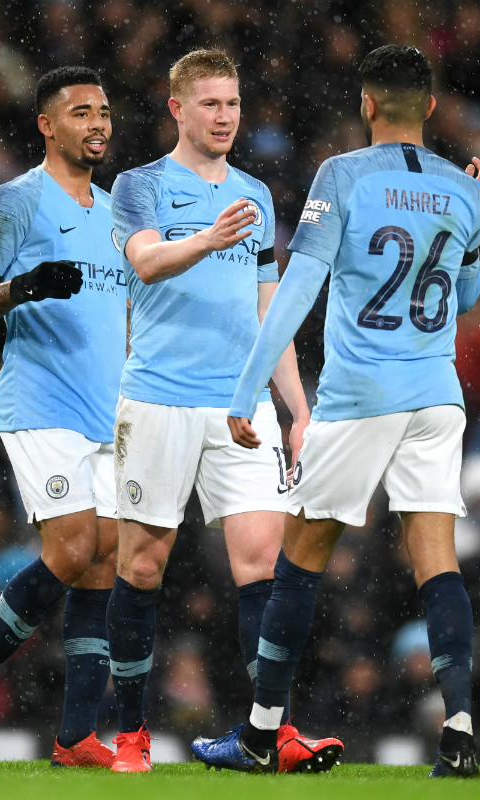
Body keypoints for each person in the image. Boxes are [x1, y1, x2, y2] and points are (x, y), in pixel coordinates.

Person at [190, 45, 480, 778]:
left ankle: (261, 733)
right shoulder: (462, 187)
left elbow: (296, 290)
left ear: (366, 106)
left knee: (301, 556)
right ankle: (457, 731)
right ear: (427, 106)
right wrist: (476, 203)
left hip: (361, 396)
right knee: (437, 559)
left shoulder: (342, 176)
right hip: (437, 395)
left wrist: (245, 391)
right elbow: (467, 294)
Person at [107, 48, 340, 773]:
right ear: (178, 109)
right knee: (143, 565)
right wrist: (207, 240)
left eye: (233, 104)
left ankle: (272, 731)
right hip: (158, 400)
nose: (225, 117)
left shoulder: (257, 193)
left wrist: (297, 409)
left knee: (262, 562)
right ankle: (130, 735)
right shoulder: (138, 186)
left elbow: (272, 311)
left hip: (239, 407)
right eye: (210, 104)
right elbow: (144, 261)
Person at [0, 66, 126, 769]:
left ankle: (75, 736)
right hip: (42, 401)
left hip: (109, 411)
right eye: (81, 112)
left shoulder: (118, 213)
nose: (98, 123)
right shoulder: (15, 200)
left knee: (103, 560)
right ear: (48, 124)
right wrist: (22, 288)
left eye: (103, 111)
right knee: (73, 549)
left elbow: (123, 316)